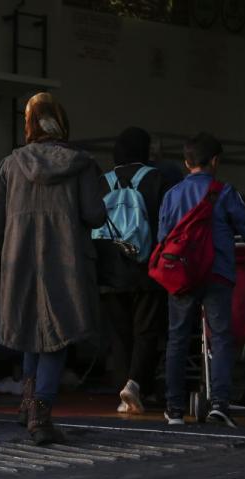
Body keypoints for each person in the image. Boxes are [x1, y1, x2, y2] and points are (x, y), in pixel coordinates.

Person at [0, 92, 106, 445]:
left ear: (29, 125)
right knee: (58, 335)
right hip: (66, 260)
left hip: (20, 261)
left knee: (32, 330)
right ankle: (40, 413)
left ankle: (27, 406)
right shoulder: (83, 164)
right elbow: (96, 215)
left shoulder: (10, 165)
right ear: (62, 123)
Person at [158, 132, 245, 428]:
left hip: (182, 275)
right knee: (221, 338)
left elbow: (163, 239)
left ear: (187, 163)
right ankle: (219, 405)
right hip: (217, 274)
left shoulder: (171, 195)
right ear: (215, 161)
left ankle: (174, 409)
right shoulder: (224, 192)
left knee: (177, 338)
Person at [97, 127, 180, 414]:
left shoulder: (102, 182)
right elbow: (168, 223)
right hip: (146, 267)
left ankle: (124, 392)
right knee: (146, 330)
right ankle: (135, 384)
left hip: (109, 270)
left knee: (119, 334)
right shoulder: (157, 178)